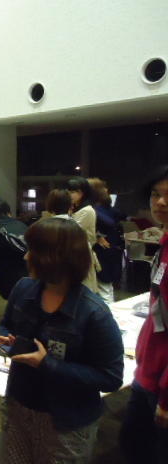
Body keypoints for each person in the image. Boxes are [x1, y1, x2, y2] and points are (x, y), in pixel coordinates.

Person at [0, 217, 123, 464]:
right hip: (18, 407)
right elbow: (6, 324)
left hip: (66, 423)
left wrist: (47, 364)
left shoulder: (93, 312)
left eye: (33, 251)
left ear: (53, 258)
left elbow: (111, 377)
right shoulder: (24, 288)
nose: (26, 257)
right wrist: (8, 339)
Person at [120, 167, 168, 463]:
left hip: (161, 383)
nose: (160, 202)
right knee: (132, 445)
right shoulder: (164, 243)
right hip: (148, 371)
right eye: (156, 194)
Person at [89, 178, 125, 305]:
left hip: (105, 251)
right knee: (106, 287)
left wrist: (97, 234)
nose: (106, 190)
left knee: (104, 287)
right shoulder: (100, 208)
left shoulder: (96, 209)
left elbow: (111, 222)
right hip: (107, 250)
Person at [68, 177, 99, 293]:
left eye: (74, 192)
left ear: (83, 193)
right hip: (75, 252)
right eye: (69, 191)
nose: (70, 195)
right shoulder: (76, 209)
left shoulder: (87, 210)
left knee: (84, 289)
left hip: (82, 252)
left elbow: (71, 230)